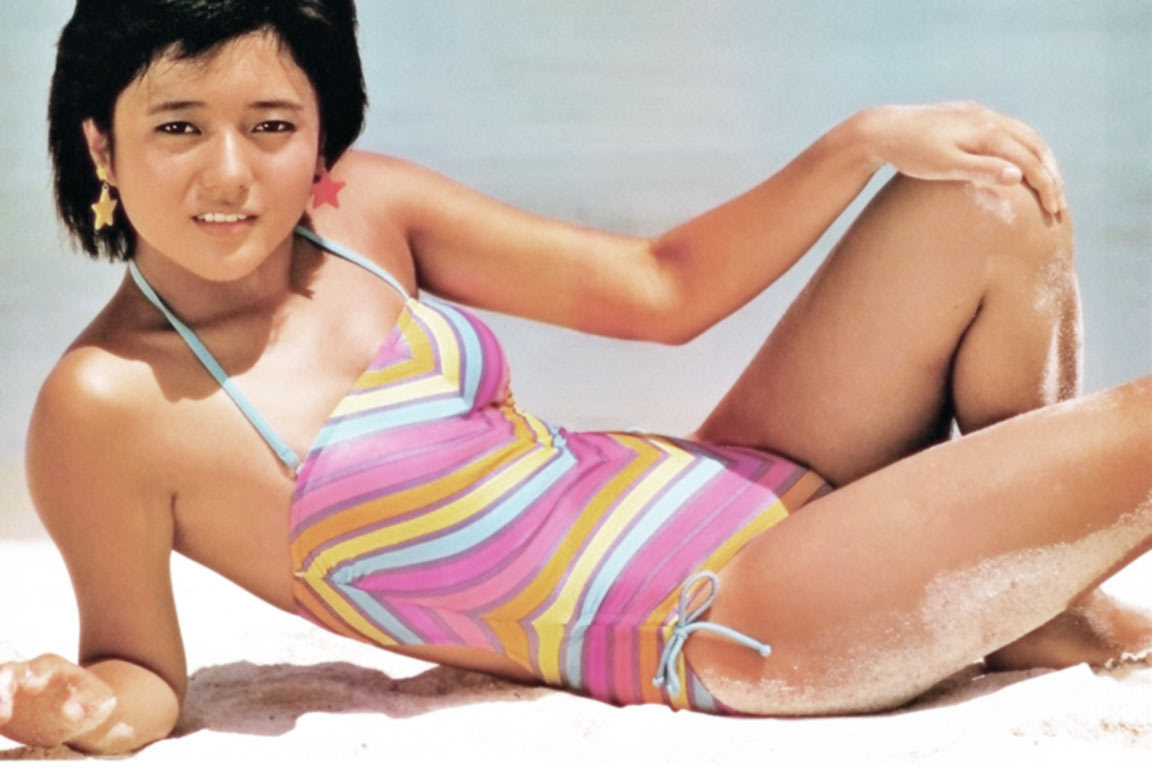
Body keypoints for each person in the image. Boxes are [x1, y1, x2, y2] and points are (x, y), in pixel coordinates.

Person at [3, 0, 1151, 756]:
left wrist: (857, 142)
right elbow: (138, 667)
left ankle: (1032, 608)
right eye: (178, 128)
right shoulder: (109, 403)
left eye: (271, 125)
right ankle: (1023, 593)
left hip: (743, 471)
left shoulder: (363, 213)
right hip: (732, 615)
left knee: (988, 195)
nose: (230, 174)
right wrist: (82, 709)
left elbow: (662, 289)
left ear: (319, 132)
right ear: (102, 144)